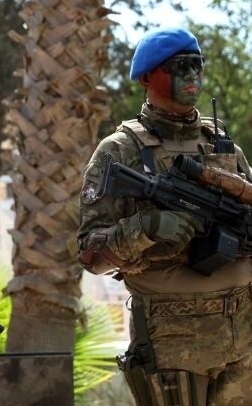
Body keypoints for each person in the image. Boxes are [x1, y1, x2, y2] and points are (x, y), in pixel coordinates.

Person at [77, 27, 252, 405]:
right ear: (146, 77)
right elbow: (91, 257)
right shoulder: (120, 150)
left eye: (197, 65)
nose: (192, 75)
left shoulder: (224, 147)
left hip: (243, 335)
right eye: (178, 67)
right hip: (171, 337)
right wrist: (147, 228)